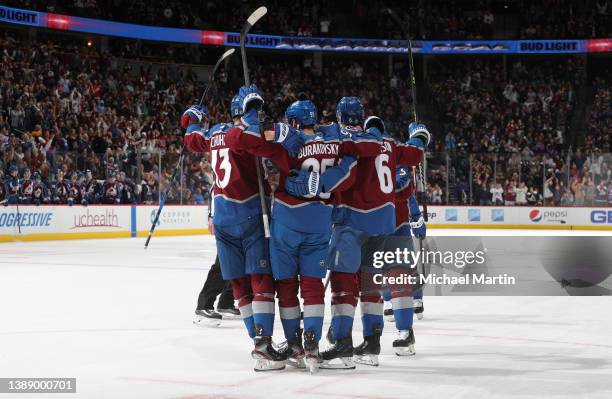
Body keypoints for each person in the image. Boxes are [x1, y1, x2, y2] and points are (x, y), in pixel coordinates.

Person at [286, 104, 430, 368]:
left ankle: (341, 342)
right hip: (383, 224)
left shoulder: (343, 140)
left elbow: (331, 163)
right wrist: (418, 134)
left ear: (340, 118)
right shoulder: (388, 142)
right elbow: (417, 154)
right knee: (370, 284)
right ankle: (371, 343)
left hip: (352, 220)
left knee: (343, 283)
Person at [182, 88, 283, 372]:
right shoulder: (246, 134)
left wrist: (193, 118)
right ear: (247, 110)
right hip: (248, 212)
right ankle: (263, 344)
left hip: (223, 216)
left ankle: (258, 343)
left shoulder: (216, 131)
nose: (260, 115)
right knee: (261, 280)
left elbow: (192, 140)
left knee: (238, 283)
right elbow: (256, 137)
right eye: (256, 109)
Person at [194, 187, 239, 326]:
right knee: (223, 263)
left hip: (240, 219)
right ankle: (204, 305)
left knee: (237, 263)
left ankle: (226, 302)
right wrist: (212, 216)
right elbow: (216, 189)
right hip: (227, 221)